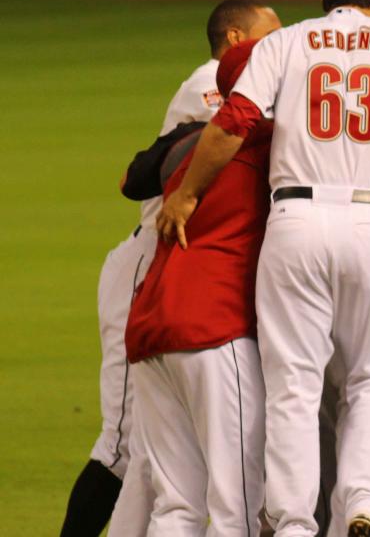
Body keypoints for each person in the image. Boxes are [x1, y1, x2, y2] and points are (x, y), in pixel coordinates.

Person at [157, 0, 370, 537]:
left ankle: (295, 524)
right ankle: (365, 506)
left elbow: (234, 121)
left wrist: (186, 195)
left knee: (294, 384)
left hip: (296, 222)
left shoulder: (286, 43)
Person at [61, 0, 280, 537]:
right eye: (269, 35)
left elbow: (136, 172)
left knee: (163, 480)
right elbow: (160, 166)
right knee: (122, 446)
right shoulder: (213, 83)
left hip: (179, 283)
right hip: (163, 267)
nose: (282, 44)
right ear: (235, 41)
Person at [118, 39, 272, 535]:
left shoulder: (185, 144)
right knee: (236, 509)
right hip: (212, 326)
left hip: (150, 324)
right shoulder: (273, 142)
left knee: (176, 506)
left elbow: (133, 177)